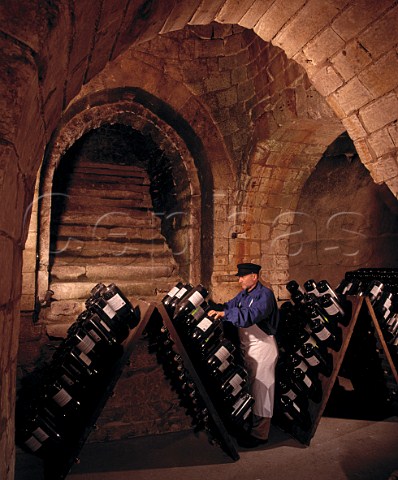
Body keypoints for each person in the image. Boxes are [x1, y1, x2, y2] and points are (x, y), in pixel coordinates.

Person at [208, 262, 279, 448]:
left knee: (262, 391)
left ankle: (260, 434)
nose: (239, 280)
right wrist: (210, 306)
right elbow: (228, 306)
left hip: (263, 348)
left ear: (254, 277)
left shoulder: (265, 295)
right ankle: (251, 426)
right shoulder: (244, 294)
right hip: (248, 349)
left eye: (242, 276)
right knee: (250, 390)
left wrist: (224, 314)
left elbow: (250, 316)